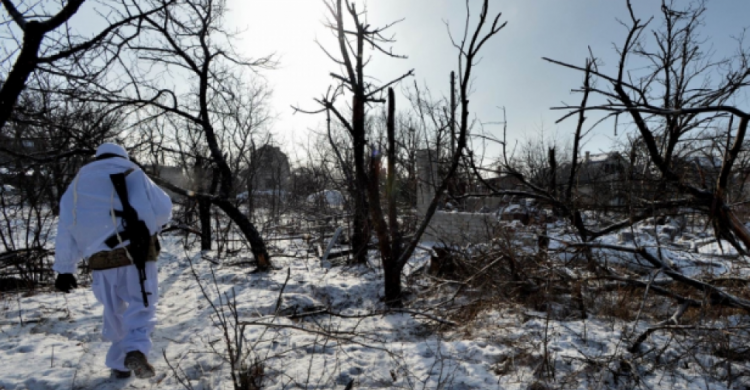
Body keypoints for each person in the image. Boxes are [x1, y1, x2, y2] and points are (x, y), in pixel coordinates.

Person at [53, 143, 172, 379]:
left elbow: (66, 229)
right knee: (142, 304)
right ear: (123, 156)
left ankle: (119, 364)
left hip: (101, 260)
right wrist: (153, 225)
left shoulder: (77, 184)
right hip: (137, 254)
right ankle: (136, 349)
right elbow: (164, 209)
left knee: (114, 310)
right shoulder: (135, 174)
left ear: (98, 157)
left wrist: (65, 269)